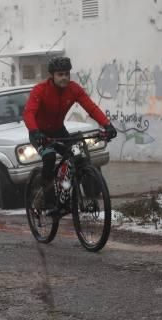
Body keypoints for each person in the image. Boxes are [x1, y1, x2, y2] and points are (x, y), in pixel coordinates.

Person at [23, 56, 117, 213]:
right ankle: (49, 202)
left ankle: (76, 195)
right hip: (39, 133)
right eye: (60, 74)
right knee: (49, 157)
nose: (64, 77)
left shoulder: (73, 89)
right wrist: (35, 131)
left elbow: (91, 108)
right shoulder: (40, 90)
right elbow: (28, 113)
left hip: (59, 131)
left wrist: (107, 125)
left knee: (79, 157)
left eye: (67, 74)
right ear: (52, 75)